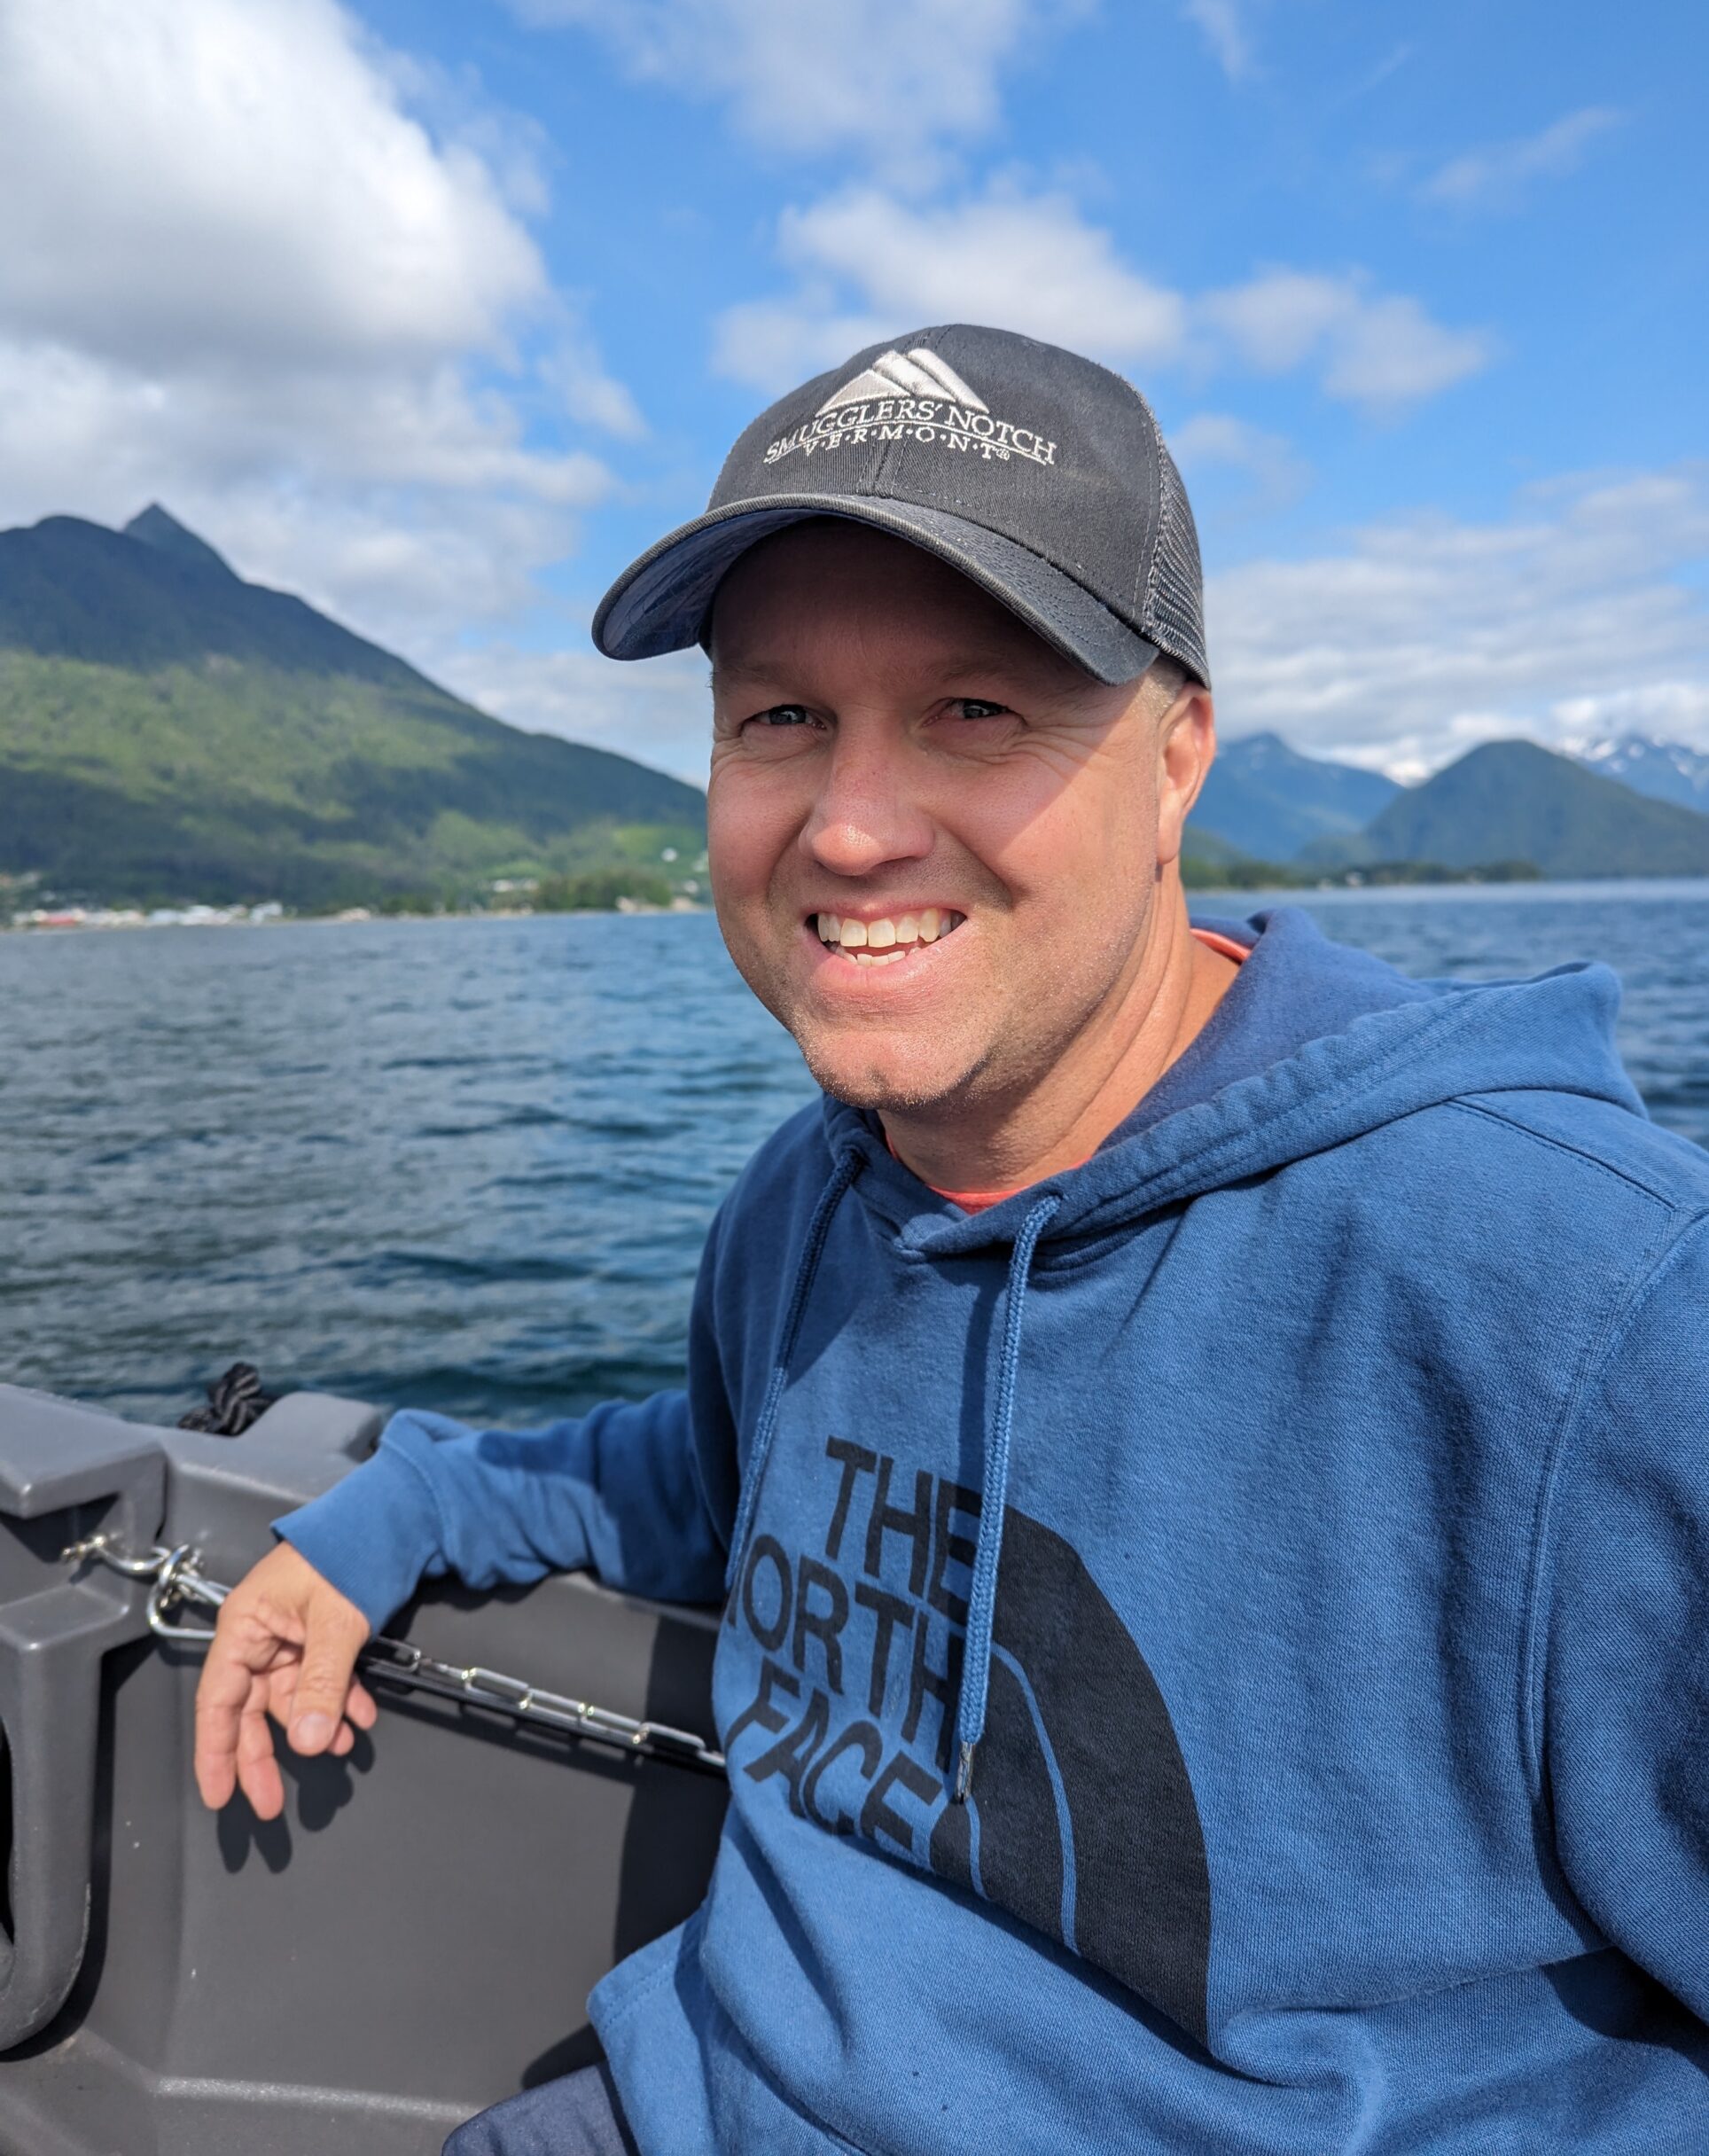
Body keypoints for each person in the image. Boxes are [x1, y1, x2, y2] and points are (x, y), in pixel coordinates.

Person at [194, 325, 1709, 2155]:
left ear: (1176, 758)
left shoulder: (1585, 1299)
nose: (846, 824)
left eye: (974, 708)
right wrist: (393, 1516)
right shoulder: (809, 1194)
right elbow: (718, 1468)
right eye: (779, 718)